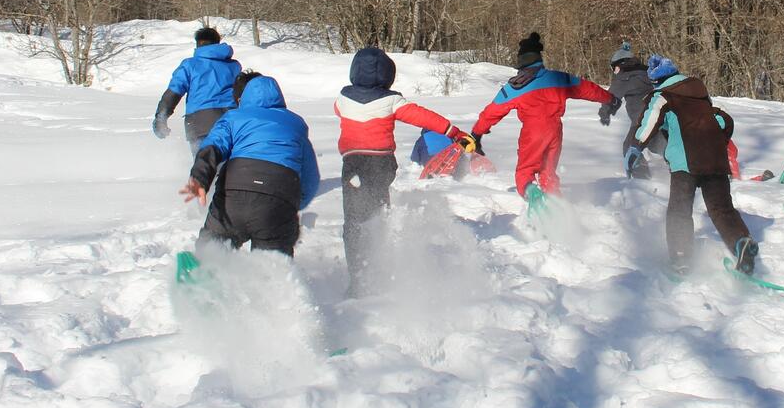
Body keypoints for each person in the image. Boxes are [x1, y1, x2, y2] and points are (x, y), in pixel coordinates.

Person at [334, 47, 472, 295]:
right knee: (377, 213)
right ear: (387, 75)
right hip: (380, 165)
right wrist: (453, 131)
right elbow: (424, 118)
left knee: (353, 220)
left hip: (352, 166)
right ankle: (379, 264)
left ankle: (357, 277)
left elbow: (338, 111)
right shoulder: (391, 101)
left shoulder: (342, 99)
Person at [628, 55, 758, 276]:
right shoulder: (700, 93)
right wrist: (719, 142)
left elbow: (649, 122)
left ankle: (681, 258)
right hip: (716, 161)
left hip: (685, 163)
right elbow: (723, 121)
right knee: (722, 209)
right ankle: (741, 242)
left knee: (679, 210)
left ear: (657, 81)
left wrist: (634, 148)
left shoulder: (663, 96)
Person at [179, 71, 320, 256]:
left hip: (233, 197)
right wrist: (292, 205)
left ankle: (203, 275)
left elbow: (212, 148)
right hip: (278, 202)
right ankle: (275, 283)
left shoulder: (233, 118)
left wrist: (200, 178)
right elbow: (311, 178)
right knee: (272, 269)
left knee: (211, 253)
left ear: (243, 98)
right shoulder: (295, 125)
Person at [472, 32, 617, 203]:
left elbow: (492, 112)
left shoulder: (516, 86)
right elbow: (588, 89)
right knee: (548, 173)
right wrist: (610, 99)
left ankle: (533, 196)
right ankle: (556, 206)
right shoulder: (558, 78)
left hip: (533, 132)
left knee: (525, 172)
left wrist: (477, 134)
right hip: (555, 130)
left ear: (521, 61)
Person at [153, 27, 242, 154]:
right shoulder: (234, 66)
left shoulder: (190, 65)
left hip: (201, 123)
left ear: (198, 44)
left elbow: (174, 92)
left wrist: (160, 117)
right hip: (232, 120)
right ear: (217, 42)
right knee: (231, 165)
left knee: (204, 167)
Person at [599, 41, 657, 179]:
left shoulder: (625, 78)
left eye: (614, 68)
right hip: (661, 117)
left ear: (620, 64)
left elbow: (611, 97)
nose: (614, 72)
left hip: (642, 121)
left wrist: (605, 112)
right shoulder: (647, 72)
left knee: (631, 147)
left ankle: (642, 180)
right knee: (659, 146)